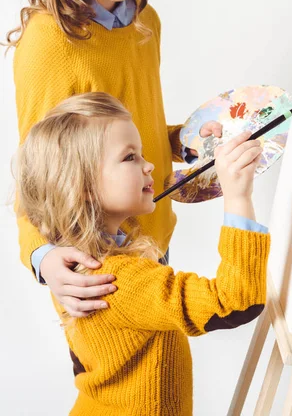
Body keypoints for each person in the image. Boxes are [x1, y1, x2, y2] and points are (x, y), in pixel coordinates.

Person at [6, 0, 221, 318]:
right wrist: (41, 257)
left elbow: (125, 131)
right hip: (96, 268)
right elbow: (36, 173)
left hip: (155, 240)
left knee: (167, 384)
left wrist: (196, 135)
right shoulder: (48, 44)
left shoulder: (145, 21)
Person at [17, 91, 270, 415]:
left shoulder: (73, 261)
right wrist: (238, 197)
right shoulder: (117, 279)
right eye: (130, 157)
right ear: (84, 187)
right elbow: (236, 303)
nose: (149, 164)